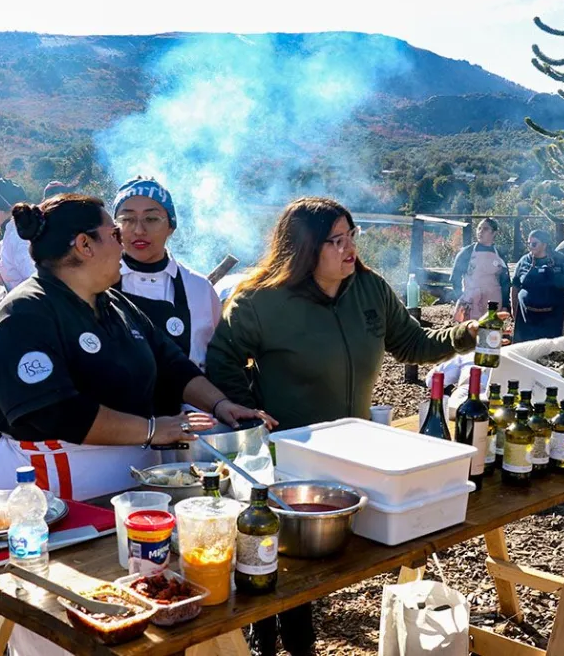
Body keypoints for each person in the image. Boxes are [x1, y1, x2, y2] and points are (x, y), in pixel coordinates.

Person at [207, 196, 485, 656]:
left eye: (351, 236)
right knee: (284, 558)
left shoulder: (369, 289)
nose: (348, 248)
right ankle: (278, 645)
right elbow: (222, 359)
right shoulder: (261, 301)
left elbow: (411, 342)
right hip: (288, 455)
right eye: (335, 240)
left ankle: (289, 641)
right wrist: (252, 410)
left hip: (356, 452)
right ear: (303, 249)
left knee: (327, 562)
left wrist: (464, 335)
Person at [0, 194, 275, 504]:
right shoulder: (25, 313)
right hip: (43, 488)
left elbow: (171, 363)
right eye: (113, 234)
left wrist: (220, 404)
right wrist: (152, 429)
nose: (121, 243)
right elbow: (56, 411)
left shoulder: (114, 303)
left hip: (123, 482)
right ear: (84, 245)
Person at [111, 177, 221, 403]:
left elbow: (216, 361)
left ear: (171, 226)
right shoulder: (96, 285)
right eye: (127, 219)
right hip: (117, 426)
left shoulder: (198, 287)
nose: (139, 230)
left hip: (189, 421)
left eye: (151, 218)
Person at [510, 229, 564, 343]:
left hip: (552, 316)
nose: (530, 246)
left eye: (534, 243)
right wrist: (513, 307)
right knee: (526, 348)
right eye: (529, 243)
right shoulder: (524, 261)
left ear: (544, 244)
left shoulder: (560, 260)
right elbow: (515, 286)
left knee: (549, 350)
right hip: (526, 316)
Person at [450, 217, 510, 321]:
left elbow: (505, 282)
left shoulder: (500, 254)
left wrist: (504, 305)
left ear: (494, 233)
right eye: (479, 228)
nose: (480, 232)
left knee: (490, 332)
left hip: (493, 303)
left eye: (485, 229)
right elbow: (455, 278)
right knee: (469, 333)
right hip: (471, 302)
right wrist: (461, 297)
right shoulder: (467, 252)